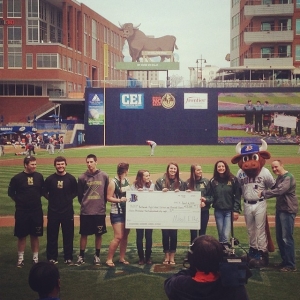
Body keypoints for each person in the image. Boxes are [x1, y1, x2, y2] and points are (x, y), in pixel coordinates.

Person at [164, 235, 249, 300]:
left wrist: (193, 265)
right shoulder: (234, 288)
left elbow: (170, 281)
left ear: (191, 258)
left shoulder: (178, 285)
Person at [258, 160, 298, 272]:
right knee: (280, 237)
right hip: (280, 209)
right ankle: (285, 261)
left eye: (276, 167)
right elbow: (274, 187)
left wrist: (263, 193)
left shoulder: (288, 177)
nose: (274, 169)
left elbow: (279, 191)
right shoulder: (280, 177)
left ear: (282, 165)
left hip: (288, 210)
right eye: (273, 168)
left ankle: (290, 264)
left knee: (287, 238)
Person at [8, 156, 44, 267]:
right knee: (21, 235)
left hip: (36, 210)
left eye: (35, 164)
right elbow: (11, 193)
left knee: (35, 235)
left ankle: (35, 258)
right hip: (22, 211)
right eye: (32, 164)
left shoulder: (39, 177)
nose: (34, 166)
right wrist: (20, 201)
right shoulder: (17, 178)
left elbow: (42, 191)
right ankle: (20, 259)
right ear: (25, 165)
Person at [43, 156, 78, 265]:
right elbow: (45, 193)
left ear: (65, 164)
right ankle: (52, 257)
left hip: (67, 212)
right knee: (52, 235)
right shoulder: (49, 179)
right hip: (53, 211)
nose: (60, 166)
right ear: (55, 165)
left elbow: (75, 192)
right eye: (58, 164)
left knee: (68, 235)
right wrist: (53, 200)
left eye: (62, 164)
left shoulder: (71, 179)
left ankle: (68, 258)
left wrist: (66, 199)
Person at [76, 154, 109, 266]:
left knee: (98, 234)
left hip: (99, 211)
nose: (89, 164)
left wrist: (101, 204)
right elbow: (80, 196)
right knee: (84, 234)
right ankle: (81, 256)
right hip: (86, 211)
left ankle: (97, 256)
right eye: (87, 162)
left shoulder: (104, 175)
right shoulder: (82, 177)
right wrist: (86, 204)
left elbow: (106, 193)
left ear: (96, 162)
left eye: (91, 162)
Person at [155, 162, 185, 265]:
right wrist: (161, 192)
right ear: (168, 169)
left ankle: (172, 255)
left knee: (173, 234)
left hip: (175, 212)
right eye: (171, 169)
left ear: (177, 170)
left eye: (174, 169)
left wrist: (180, 193)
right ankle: (166, 255)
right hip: (164, 212)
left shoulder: (180, 182)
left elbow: (186, 196)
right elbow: (154, 196)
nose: (173, 170)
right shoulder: (160, 181)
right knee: (165, 234)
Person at [210, 160, 241, 244]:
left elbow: (237, 196)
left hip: (229, 211)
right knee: (221, 234)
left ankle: (225, 252)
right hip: (218, 211)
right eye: (219, 167)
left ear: (226, 167)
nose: (221, 168)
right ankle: (223, 252)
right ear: (216, 169)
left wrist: (236, 210)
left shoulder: (233, 179)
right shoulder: (213, 181)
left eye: (222, 166)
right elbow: (211, 195)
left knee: (225, 234)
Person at [106, 162, 131, 267]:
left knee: (125, 236)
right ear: (126, 171)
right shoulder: (113, 182)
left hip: (127, 212)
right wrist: (119, 200)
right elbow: (108, 197)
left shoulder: (127, 181)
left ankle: (122, 258)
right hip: (117, 212)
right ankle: (109, 259)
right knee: (118, 236)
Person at [131, 169, 155, 265]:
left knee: (149, 237)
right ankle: (141, 257)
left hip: (149, 215)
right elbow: (131, 199)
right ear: (141, 177)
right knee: (139, 236)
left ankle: (148, 257)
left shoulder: (152, 185)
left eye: (148, 175)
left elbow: (156, 200)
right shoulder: (134, 186)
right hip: (139, 215)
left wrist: (152, 193)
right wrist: (137, 194)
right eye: (146, 176)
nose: (148, 177)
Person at [186, 164, 212, 243]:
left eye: (200, 169)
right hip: (192, 212)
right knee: (193, 233)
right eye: (198, 170)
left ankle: (201, 250)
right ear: (193, 171)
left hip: (204, 211)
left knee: (202, 233)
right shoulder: (187, 183)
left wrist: (205, 201)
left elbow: (211, 196)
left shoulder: (206, 182)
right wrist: (186, 194)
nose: (200, 171)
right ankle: (193, 250)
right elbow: (182, 199)